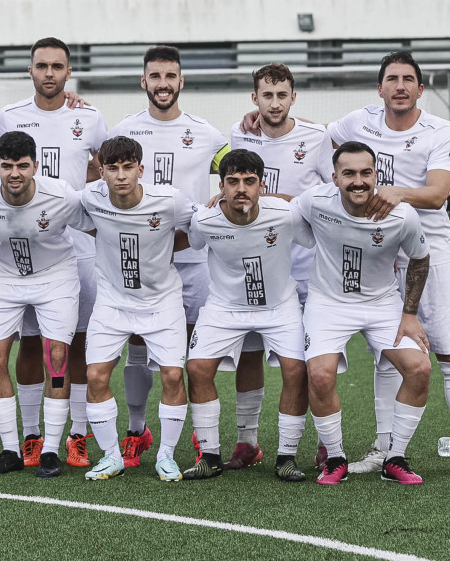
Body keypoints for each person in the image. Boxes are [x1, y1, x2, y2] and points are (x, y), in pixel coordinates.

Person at [323, 52, 450, 481]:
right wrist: (258, 120)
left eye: (408, 80)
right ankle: (385, 448)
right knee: (386, 355)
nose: (400, 86)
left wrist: (395, 192)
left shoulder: (439, 130)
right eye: (392, 79)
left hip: (429, 253)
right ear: (379, 89)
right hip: (379, 254)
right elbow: (319, 138)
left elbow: (437, 195)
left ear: (420, 89)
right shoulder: (357, 122)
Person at [0, 37, 107, 469]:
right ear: (30, 71)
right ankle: (32, 436)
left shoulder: (89, 116)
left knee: (76, 345)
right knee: (30, 346)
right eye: (42, 66)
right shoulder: (9, 117)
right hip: (19, 254)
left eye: (57, 66)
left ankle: (76, 434)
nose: (49, 73)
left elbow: (104, 167)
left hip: (79, 251)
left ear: (68, 72)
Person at [108, 45, 229, 468]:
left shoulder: (208, 134)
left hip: (193, 259)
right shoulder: (123, 130)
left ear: (182, 81)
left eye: (170, 76)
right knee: (138, 344)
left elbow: (235, 175)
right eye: (155, 76)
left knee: (195, 352)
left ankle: (201, 435)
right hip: (141, 261)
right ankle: (137, 431)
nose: (163, 84)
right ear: (144, 81)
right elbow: (104, 177)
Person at [296, 141, 431, 485]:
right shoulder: (315, 201)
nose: (358, 181)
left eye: (365, 173)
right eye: (349, 173)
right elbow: (282, 211)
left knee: (419, 369)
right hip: (328, 303)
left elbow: (420, 258)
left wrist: (409, 313)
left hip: (382, 304)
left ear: (377, 175)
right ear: (335, 177)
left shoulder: (402, 214)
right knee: (321, 376)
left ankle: (395, 457)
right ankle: (335, 458)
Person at [0, 131, 93, 478]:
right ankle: (10, 449)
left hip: (56, 275)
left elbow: (96, 225)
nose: (15, 173)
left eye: (23, 165)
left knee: (57, 356)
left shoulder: (60, 194)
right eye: (7, 166)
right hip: (6, 276)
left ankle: (50, 449)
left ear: (36, 165)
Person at [223, 62, 330, 471]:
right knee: (249, 353)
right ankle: (247, 442)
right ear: (255, 98)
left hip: (304, 267)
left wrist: (281, 200)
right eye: (266, 95)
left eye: (281, 94)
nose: (274, 103)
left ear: (293, 97)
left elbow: (329, 192)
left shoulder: (317, 137)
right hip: (257, 265)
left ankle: (321, 444)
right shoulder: (240, 133)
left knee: (305, 359)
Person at [182, 149, 314, 482]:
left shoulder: (285, 213)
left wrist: (284, 198)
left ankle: (286, 457)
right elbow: (195, 244)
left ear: (262, 185)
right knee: (197, 367)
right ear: (221, 186)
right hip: (225, 307)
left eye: (250, 181)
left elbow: (312, 219)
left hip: (279, 306)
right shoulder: (204, 218)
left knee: (296, 370)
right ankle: (210, 456)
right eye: (233, 181)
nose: (242, 188)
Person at [79, 135, 195, 481]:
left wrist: (161, 249)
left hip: (162, 301)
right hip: (113, 301)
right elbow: (86, 224)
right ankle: (112, 456)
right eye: (112, 168)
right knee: (96, 375)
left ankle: (166, 456)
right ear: (101, 171)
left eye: (128, 167)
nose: (121, 175)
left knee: (173, 375)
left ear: (141, 169)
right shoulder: (90, 198)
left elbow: (198, 227)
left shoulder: (170, 200)